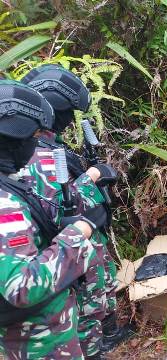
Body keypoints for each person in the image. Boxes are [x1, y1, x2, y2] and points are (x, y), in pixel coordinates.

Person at [19, 64, 132, 357]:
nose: (71, 121)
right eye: (67, 113)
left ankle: (106, 337)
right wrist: (91, 177)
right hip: (65, 248)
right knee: (85, 308)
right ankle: (94, 350)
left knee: (99, 295)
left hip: (84, 240)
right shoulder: (33, 154)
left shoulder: (48, 146)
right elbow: (55, 208)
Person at [0, 80, 107, 359]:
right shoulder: (4, 203)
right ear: (14, 141)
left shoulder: (10, 183)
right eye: (32, 138)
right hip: (36, 337)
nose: (36, 145)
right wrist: (80, 231)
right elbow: (22, 287)